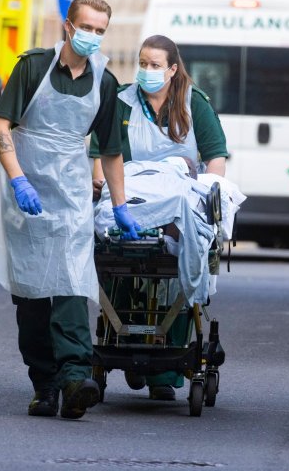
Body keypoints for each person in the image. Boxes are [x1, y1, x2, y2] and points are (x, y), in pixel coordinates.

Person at [0, 0, 141, 420]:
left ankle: (76, 377)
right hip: (27, 186)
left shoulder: (105, 82)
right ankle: (44, 384)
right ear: (68, 26)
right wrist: (17, 179)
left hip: (72, 192)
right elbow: (2, 125)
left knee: (73, 284)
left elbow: (110, 151)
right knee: (33, 294)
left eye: (100, 30)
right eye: (86, 27)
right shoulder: (33, 66)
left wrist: (120, 206)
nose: (92, 36)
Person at [90, 34, 228, 401]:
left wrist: (208, 200)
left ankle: (163, 372)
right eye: (142, 63)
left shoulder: (193, 104)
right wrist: (102, 188)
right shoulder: (120, 101)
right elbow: (101, 155)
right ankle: (126, 347)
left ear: (172, 69)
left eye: (155, 65)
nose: (147, 71)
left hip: (176, 200)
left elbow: (215, 157)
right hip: (129, 197)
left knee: (173, 277)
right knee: (123, 268)